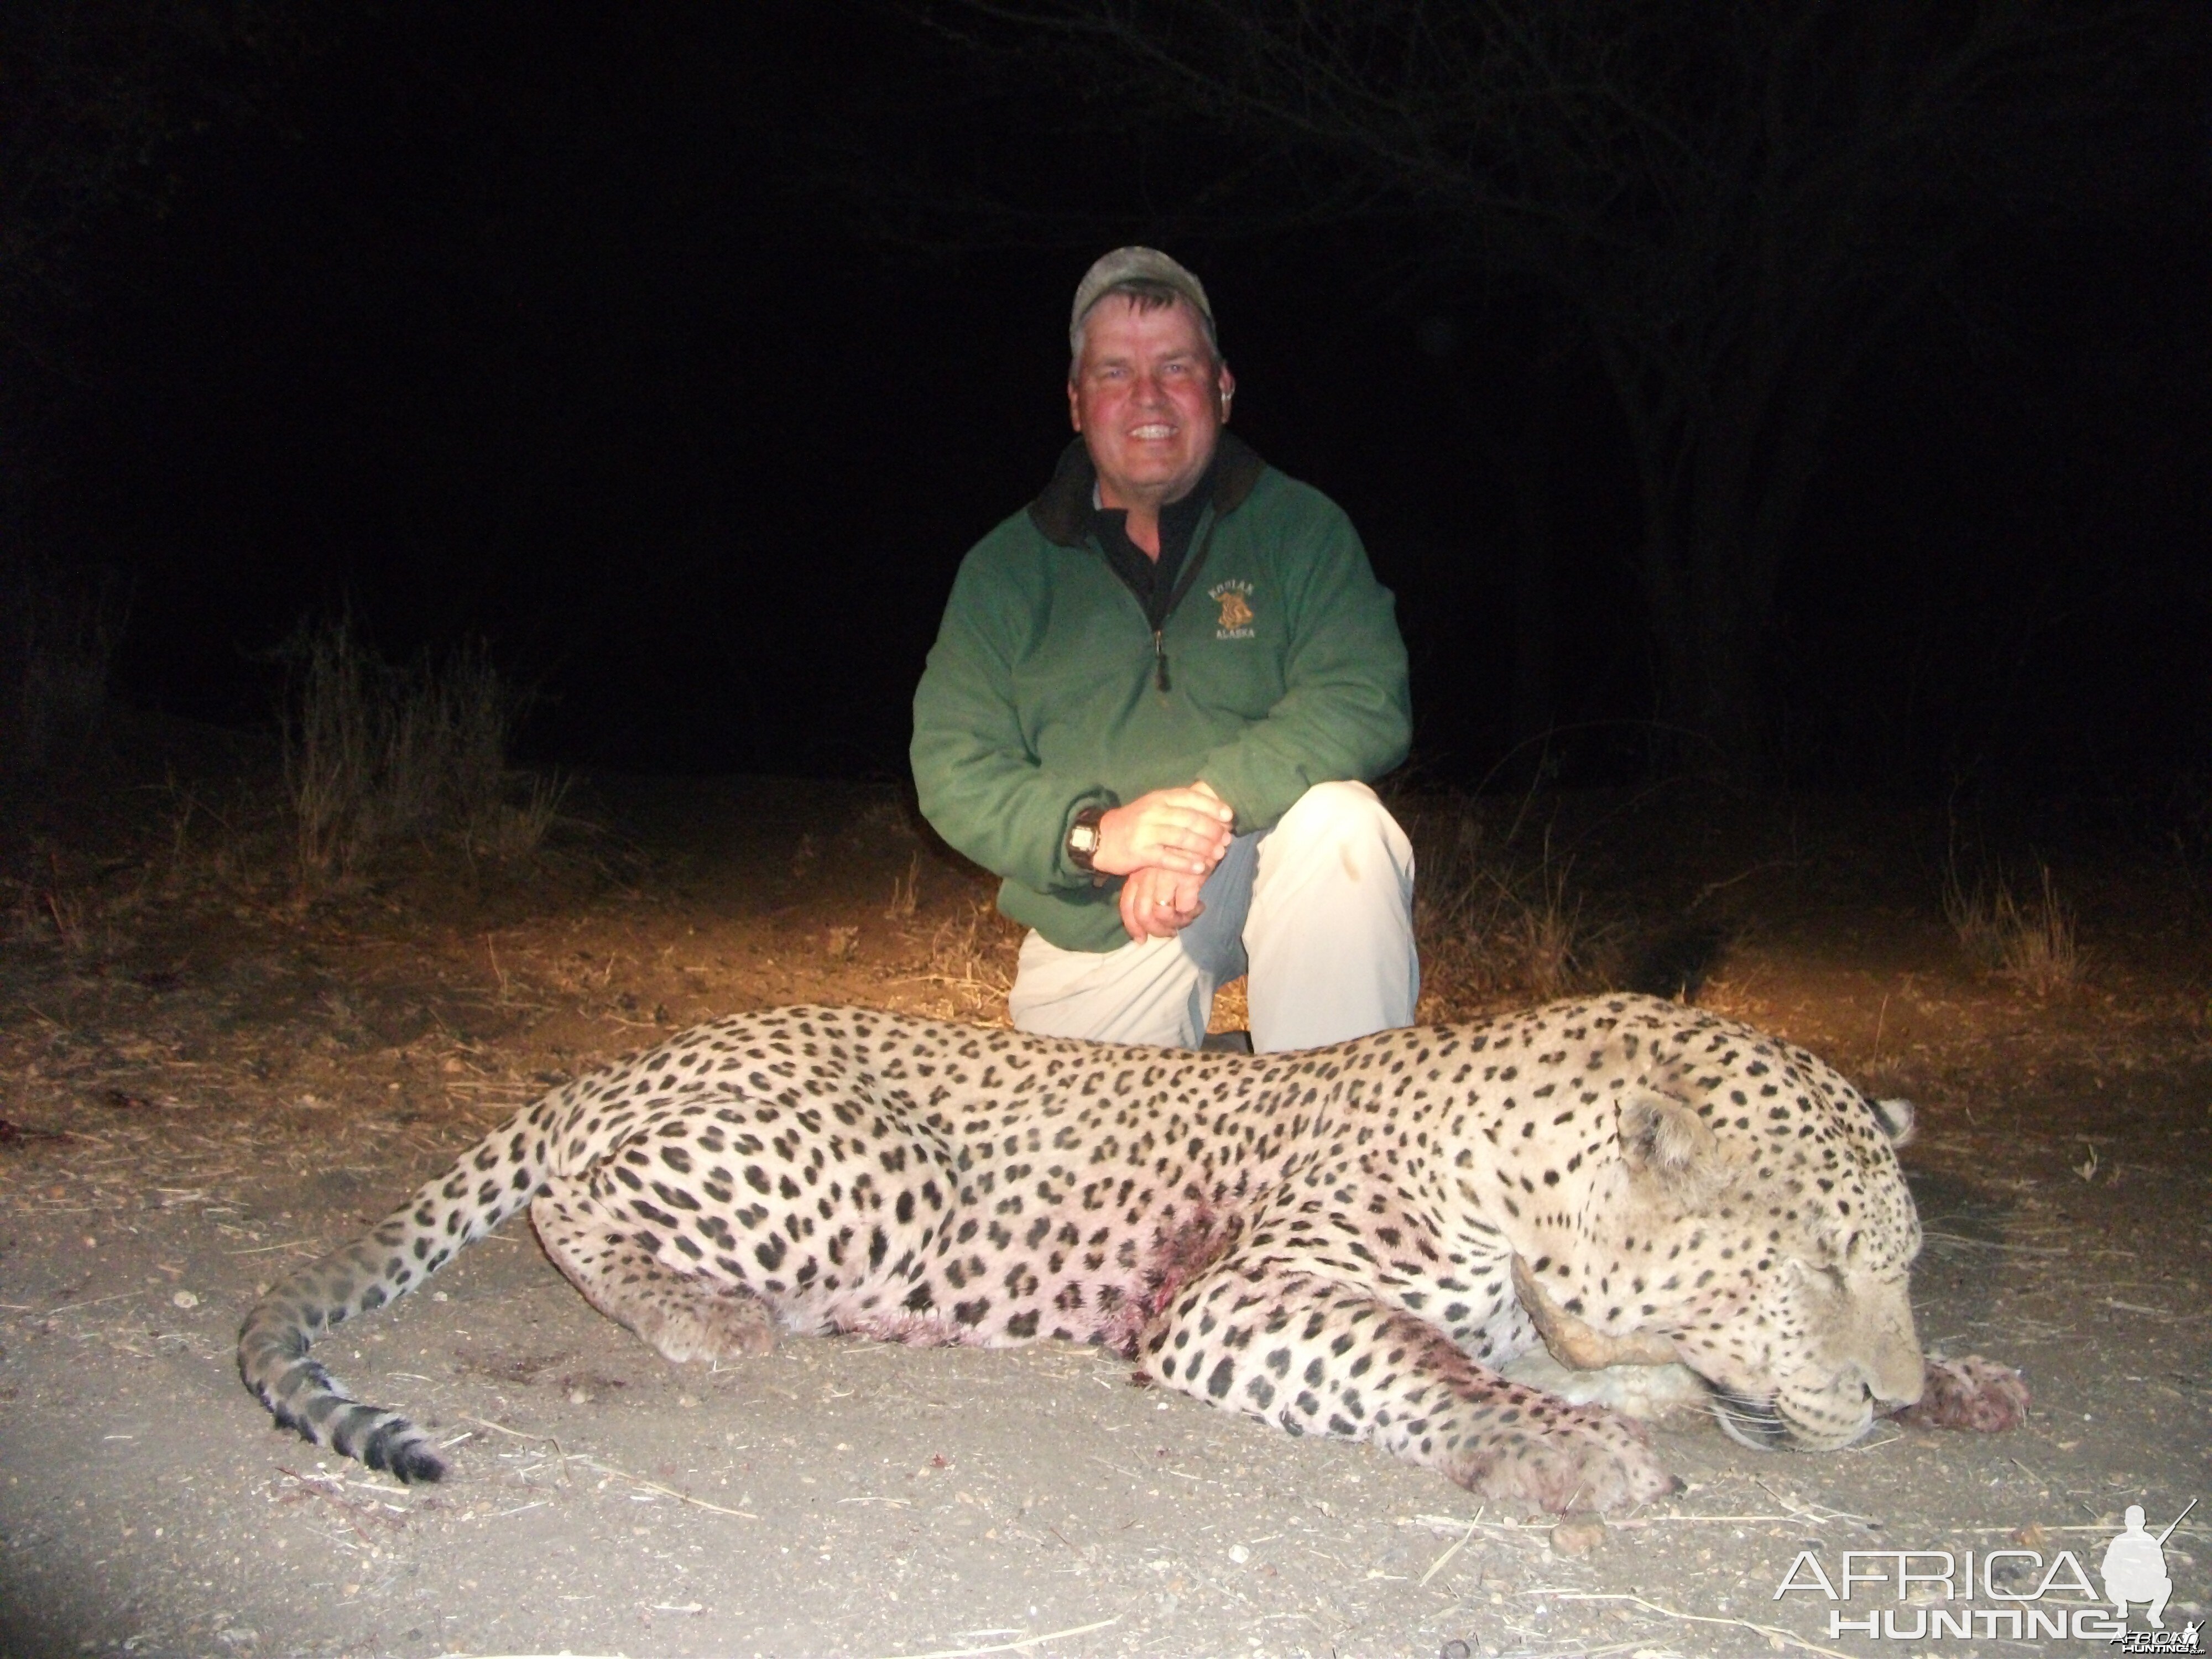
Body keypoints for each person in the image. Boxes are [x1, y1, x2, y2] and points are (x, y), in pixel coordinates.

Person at [910, 247, 1417, 1052]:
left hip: (1258, 845)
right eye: (1114, 373)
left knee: (1345, 829)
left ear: (1221, 388)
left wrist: (1207, 811)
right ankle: (1230, 1079)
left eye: (1175, 367)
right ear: (1077, 404)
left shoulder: (1302, 528)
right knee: (1080, 1172)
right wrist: (1095, 837)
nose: (1147, 397)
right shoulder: (1004, 570)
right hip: (1103, 909)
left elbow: (1363, 696)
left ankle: (1342, 1137)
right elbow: (950, 765)